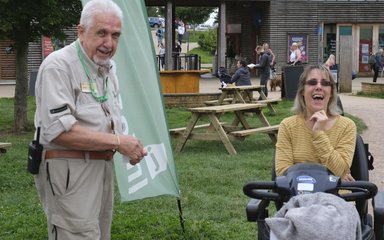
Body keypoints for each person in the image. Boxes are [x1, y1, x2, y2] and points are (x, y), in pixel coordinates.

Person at [33, 0, 148, 239]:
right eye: (102, 33)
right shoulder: (59, 66)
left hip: (101, 166)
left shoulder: (106, 67)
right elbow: (58, 131)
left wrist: (125, 146)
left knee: (98, 233)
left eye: (115, 35)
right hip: (69, 171)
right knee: (77, 234)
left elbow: (107, 118)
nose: (109, 43)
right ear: (81, 31)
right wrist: (118, 142)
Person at [275, 64, 356, 181]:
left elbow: (340, 170)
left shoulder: (347, 126)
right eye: (312, 83)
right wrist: (332, 177)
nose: (318, 87)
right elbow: (283, 173)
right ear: (302, 91)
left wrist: (318, 133)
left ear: (331, 92)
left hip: (335, 197)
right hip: (298, 196)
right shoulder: (287, 126)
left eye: (325, 83)